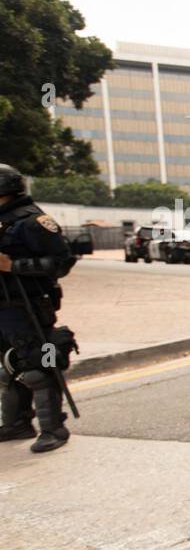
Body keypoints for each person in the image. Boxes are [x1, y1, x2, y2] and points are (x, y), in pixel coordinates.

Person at [0, 163, 77, 452]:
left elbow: (61, 262)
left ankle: (53, 428)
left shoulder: (32, 221)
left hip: (26, 305)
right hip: (2, 306)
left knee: (40, 365)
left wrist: (13, 265)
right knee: (8, 366)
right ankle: (17, 422)